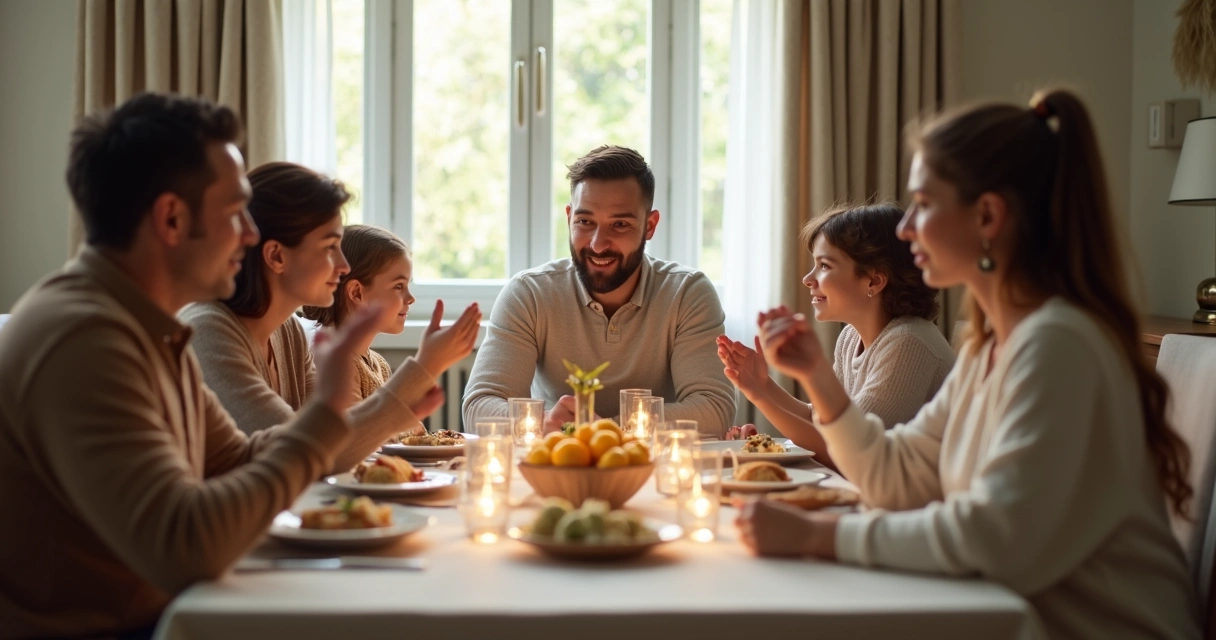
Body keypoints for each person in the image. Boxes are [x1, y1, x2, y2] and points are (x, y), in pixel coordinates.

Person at [737, 89, 1198, 638]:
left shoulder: (1059, 345)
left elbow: (997, 540)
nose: (906, 229)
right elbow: (896, 475)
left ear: (986, 216)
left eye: (924, 204)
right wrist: (816, 377)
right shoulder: (989, 348)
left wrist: (819, 538)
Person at [0, 93, 441, 637]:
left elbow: (236, 456)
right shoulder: (82, 337)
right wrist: (325, 414)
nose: (252, 235)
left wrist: (323, 420)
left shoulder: (146, 325)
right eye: (236, 213)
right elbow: (185, 547)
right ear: (171, 218)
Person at [181, 163, 480, 442]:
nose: (343, 265)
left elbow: (330, 445)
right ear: (276, 256)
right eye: (329, 247)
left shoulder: (291, 333)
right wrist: (425, 367)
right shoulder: (209, 332)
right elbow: (299, 450)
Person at [462, 145, 735, 436]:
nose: (597, 244)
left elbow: (714, 408)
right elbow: (479, 406)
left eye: (619, 224)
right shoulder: (528, 294)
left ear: (649, 226)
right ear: (569, 218)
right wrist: (544, 423)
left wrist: (604, 431)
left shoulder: (687, 293)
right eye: (585, 222)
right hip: (556, 464)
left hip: (651, 468)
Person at [717, 203, 954, 464]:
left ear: (874, 281)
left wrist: (761, 396)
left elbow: (853, 454)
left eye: (825, 266)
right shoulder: (851, 337)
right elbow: (823, 418)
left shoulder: (910, 343)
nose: (808, 278)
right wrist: (761, 386)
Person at [301, 224, 459, 403]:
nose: (410, 298)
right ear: (356, 293)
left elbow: (398, 429)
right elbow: (353, 430)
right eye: (399, 286)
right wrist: (428, 365)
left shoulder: (378, 364)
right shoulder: (333, 365)